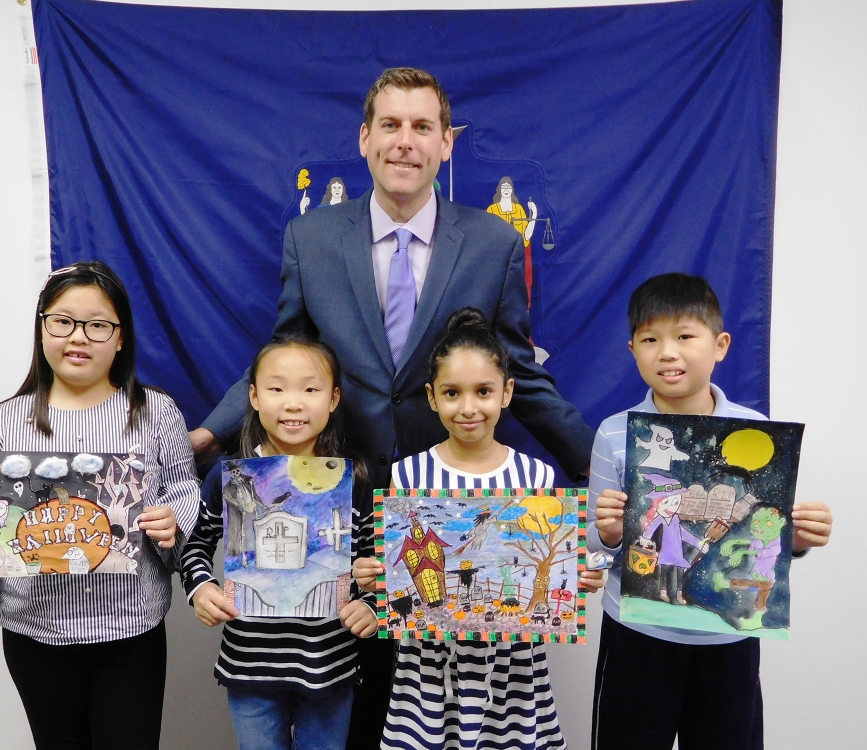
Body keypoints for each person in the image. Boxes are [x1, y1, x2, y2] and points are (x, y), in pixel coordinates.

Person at [189, 68, 595, 746]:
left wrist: (597, 466)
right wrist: (209, 433)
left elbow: (516, 368)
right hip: (341, 511)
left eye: (422, 126)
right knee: (353, 717)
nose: (405, 141)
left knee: (432, 713)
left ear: (446, 143)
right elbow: (287, 357)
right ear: (365, 138)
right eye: (391, 125)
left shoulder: (493, 243)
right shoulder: (312, 238)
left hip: (444, 512)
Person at [0, 261, 200, 750]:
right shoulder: (5, 420)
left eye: (98, 324)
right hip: (35, 632)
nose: (78, 336)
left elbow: (183, 490)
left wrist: (174, 522)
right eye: (62, 321)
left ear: (121, 337)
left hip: (130, 628)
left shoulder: (156, 412)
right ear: (42, 328)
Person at [587, 273, 834, 749]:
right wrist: (610, 533)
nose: (667, 352)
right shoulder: (615, 433)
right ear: (632, 350)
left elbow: (766, 534)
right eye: (650, 339)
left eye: (685, 336)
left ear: (720, 345)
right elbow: (596, 550)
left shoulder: (757, 431)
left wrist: (798, 538)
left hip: (728, 639)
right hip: (636, 635)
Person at [354, 308, 603, 750]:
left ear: (507, 392)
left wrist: (578, 577)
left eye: (483, 391)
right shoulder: (407, 474)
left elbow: (555, 571)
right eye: (452, 393)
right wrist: (373, 581)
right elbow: (392, 570)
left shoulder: (537, 476)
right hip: (428, 669)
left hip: (512, 670)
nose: (468, 407)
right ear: (432, 397)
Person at [180, 334, 378, 750]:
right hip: (249, 666)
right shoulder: (230, 476)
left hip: (330, 665)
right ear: (253, 396)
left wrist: (371, 603)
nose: (293, 403)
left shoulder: (354, 479)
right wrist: (201, 589)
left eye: (310, 389)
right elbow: (195, 544)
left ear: (334, 398)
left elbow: (374, 561)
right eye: (276, 388)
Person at [486, 176, 537, 304]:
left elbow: (526, 236)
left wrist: (534, 214)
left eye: (508, 187)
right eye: (503, 187)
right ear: (499, 190)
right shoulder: (492, 210)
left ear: (512, 190)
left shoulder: (518, 209)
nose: (506, 190)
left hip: (517, 257)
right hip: (498, 257)